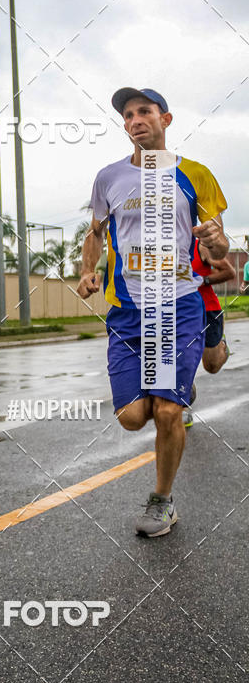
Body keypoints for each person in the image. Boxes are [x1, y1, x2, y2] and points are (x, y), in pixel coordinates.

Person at [77, 87, 229, 537]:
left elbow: (220, 245)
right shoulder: (108, 177)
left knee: (165, 411)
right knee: (132, 417)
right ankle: (177, 389)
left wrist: (214, 239)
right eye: (128, 115)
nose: (135, 119)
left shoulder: (196, 175)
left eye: (144, 111)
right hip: (126, 309)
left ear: (166, 119)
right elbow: (95, 232)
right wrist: (89, 270)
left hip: (179, 305)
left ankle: (162, 501)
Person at [183, 242, 234, 427]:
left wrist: (202, 281)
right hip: (179, 313)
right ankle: (184, 406)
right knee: (177, 361)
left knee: (211, 366)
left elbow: (229, 272)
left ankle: (222, 346)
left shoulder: (199, 246)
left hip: (207, 310)